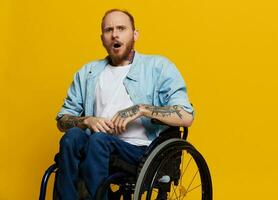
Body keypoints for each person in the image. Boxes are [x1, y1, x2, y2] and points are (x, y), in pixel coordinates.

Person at [55, 8, 194, 200]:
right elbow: (62, 120)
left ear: (135, 34)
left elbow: (186, 116)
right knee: (72, 138)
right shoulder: (87, 73)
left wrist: (141, 109)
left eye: (121, 28)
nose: (115, 34)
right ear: (102, 38)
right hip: (96, 148)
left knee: (98, 140)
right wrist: (86, 120)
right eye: (108, 30)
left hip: (140, 151)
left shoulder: (158, 67)